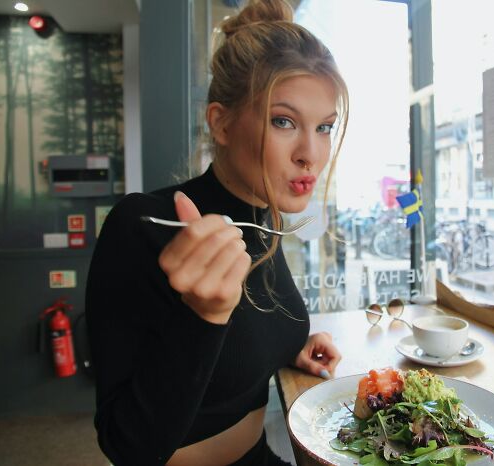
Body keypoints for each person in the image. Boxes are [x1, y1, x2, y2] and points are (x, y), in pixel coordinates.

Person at [85, 0, 349, 465]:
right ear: (221, 122)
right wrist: (202, 316)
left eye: (324, 126)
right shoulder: (143, 225)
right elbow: (125, 445)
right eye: (283, 121)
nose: (311, 154)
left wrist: (290, 348)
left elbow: (236, 350)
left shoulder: (265, 219)